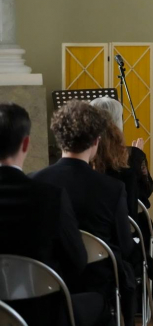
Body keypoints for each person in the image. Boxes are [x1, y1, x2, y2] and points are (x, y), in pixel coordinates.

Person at [0, 103, 109, 326]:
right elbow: (77, 261)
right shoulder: (50, 197)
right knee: (100, 303)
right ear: (26, 143)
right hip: (41, 313)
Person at [31, 100, 138, 326]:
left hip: (47, 284)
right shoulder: (112, 188)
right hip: (96, 285)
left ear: (59, 139)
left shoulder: (34, 182)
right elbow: (126, 247)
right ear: (96, 141)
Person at [91, 96, 153, 318]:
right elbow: (145, 192)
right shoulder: (131, 156)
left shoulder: (86, 159)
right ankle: (150, 300)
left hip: (94, 234)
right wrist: (138, 155)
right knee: (143, 223)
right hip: (128, 233)